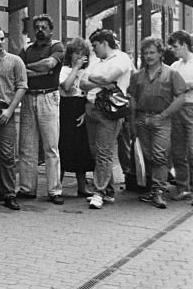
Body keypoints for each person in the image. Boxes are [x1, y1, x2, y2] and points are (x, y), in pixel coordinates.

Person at [79, 29, 134, 209]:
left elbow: (108, 77)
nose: (93, 50)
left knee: (104, 152)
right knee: (96, 152)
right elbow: (82, 83)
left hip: (109, 110)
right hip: (92, 107)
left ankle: (99, 192)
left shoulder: (122, 58)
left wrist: (96, 79)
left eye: (95, 46)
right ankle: (108, 191)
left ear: (104, 43)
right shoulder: (96, 61)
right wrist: (102, 81)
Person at [128, 36, 185, 209]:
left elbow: (181, 97)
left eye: (152, 52)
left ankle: (159, 191)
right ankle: (153, 189)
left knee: (160, 155)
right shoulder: (137, 75)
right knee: (148, 156)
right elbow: (132, 99)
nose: (149, 56)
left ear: (160, 53)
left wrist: (165, 115)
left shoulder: (171, 73)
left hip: (162, 119)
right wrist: (131, 123)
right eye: (145, 53)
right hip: (141, 119)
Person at [18, 14, 65, 204]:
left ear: (50, 30)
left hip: (48, 97)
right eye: (37, 26)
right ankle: (27, 188)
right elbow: (20, 72)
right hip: (29, 98)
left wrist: (32, 69)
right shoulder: (26, 48)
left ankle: (54, 190)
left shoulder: (57, 46)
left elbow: (50, 64)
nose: (40, 30)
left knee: (51, 146)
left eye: (44, 27)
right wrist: (40, 71)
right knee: (27, 146)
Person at [0, 25, 27, 210]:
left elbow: (22, 86)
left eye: (2, 38)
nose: (0, 42)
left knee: (7, 154)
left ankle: (10, 193)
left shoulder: (15, 61)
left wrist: (10, 110)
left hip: (4, 109)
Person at [58, 38, 95, 197]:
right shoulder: (65, 70)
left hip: (81, 108)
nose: (78, 57)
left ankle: (82, 186)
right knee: (63, 147)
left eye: (82, 54)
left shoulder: (88, 72)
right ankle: (57, 185)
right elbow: (66, 87)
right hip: (66, 108)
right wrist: (75, 68)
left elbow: (91, 94)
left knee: (82, 148)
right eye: (75, 53)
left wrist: (87, 113)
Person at [166, 30, 193, 202]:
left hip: (191, 108)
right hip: (177, 109)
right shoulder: (175, 66)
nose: (174, 51)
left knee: (192, 150)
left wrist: (183, 86)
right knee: (178, 151)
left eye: (176, 46)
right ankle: (183, 187)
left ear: (184, 44)